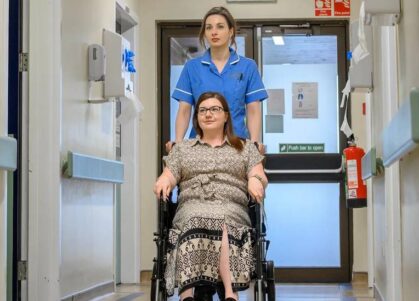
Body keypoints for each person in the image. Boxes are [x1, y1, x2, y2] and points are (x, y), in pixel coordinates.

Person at [154, 92, 268, 301]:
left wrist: (254, 179)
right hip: (192, 204)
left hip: (231, 207)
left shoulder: (244, 148)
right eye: (203, 110)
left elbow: (259, 174)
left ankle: (229, 293)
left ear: (226, 116)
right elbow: (169, 175)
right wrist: (164, 180)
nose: (208, 114)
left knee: (221, 220)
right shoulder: (183, 149)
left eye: (215, 109)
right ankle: (186, 295)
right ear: (197, 117)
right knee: (193, 218)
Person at [167, 6, 268, 153]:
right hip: (199, 146)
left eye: (220, 27)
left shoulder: (247, 66)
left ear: (231, 31)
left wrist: (254, 142)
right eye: (209, 28)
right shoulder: (192, 67)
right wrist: (178, 142)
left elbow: (253, 110)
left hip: (237, 145)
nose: (214, 32)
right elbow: (184, 110)